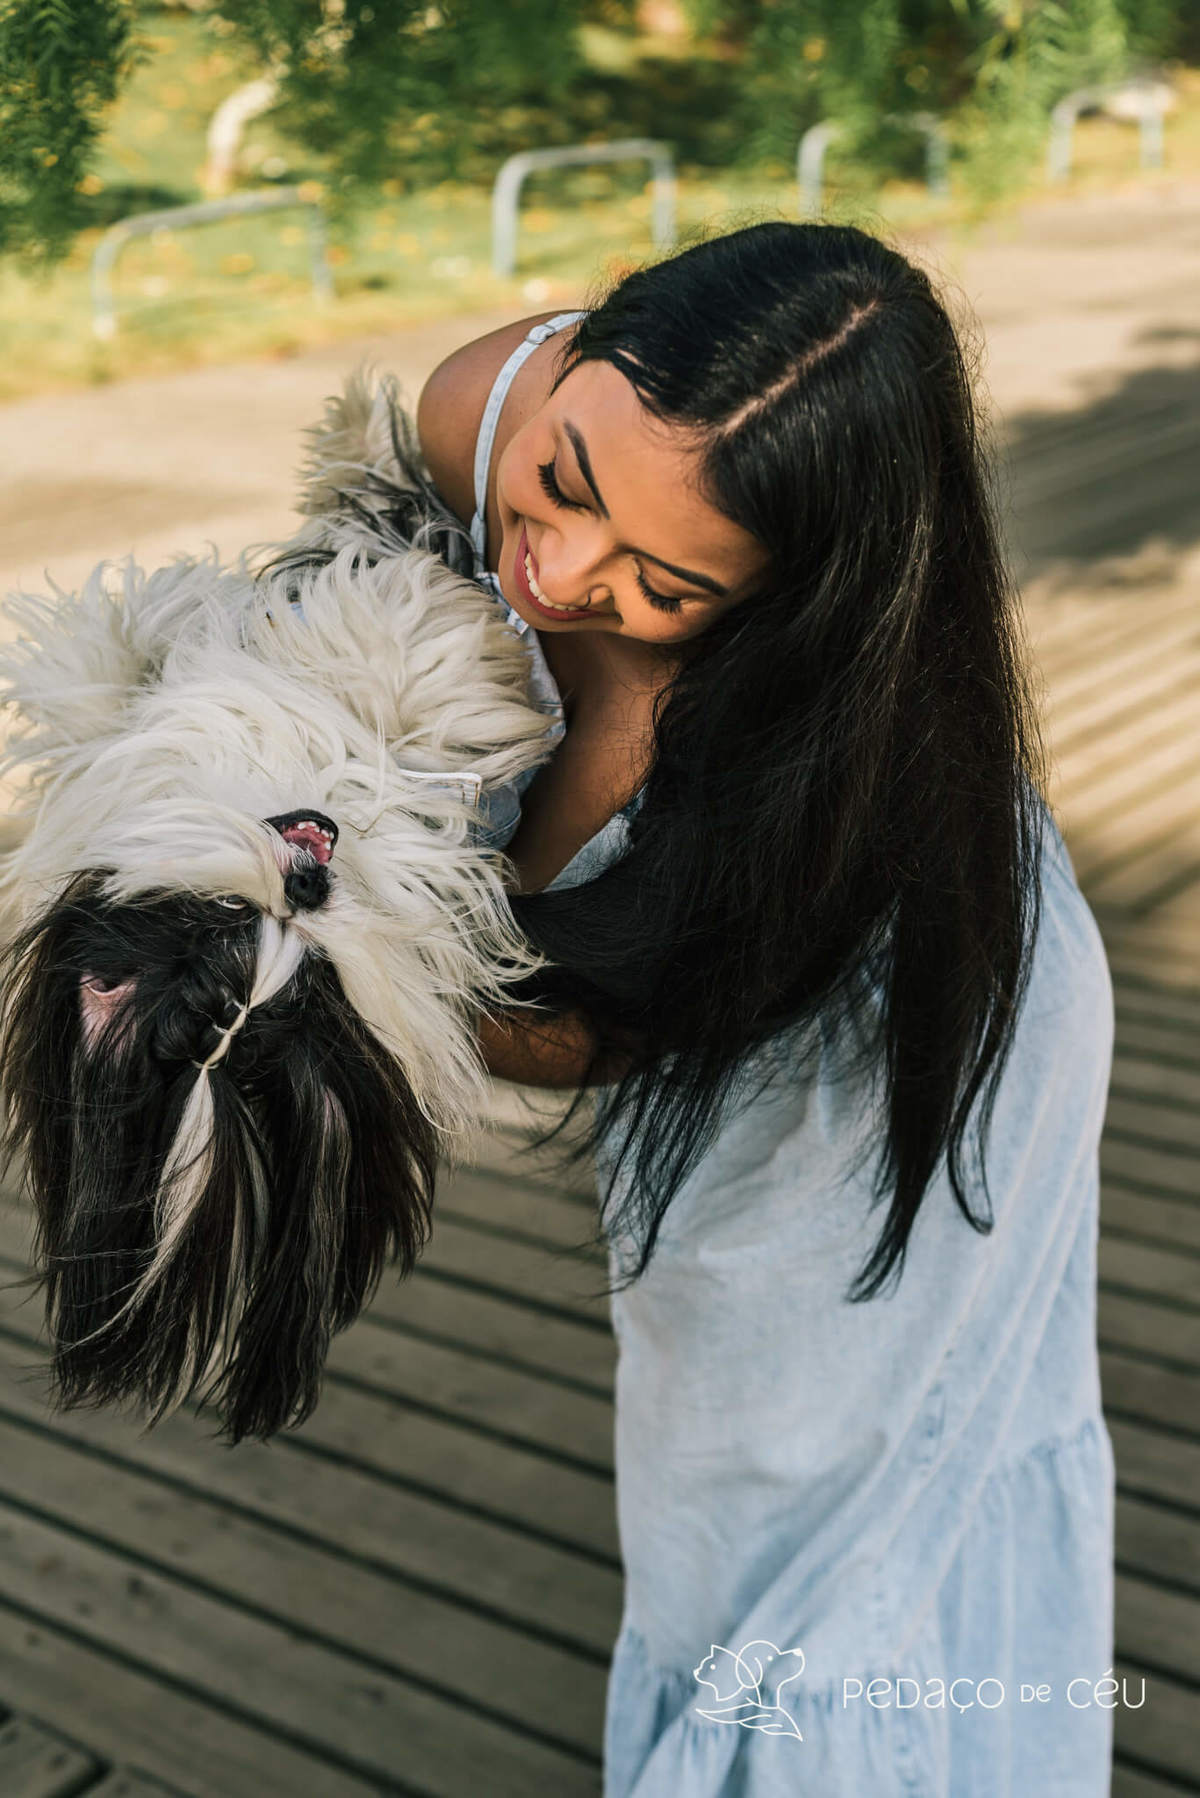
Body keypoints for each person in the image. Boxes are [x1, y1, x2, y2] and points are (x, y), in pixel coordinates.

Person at [415, 221, 1116, 1797]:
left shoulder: (763, 743)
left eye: (668, 585)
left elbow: (583, 1026)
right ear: (582, 347)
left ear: (787, 599)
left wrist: (345, 945)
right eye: (570, 478)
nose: (566, 573)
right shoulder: (481, 407)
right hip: (719, 935)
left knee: (811, 1476)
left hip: (884, 1004)